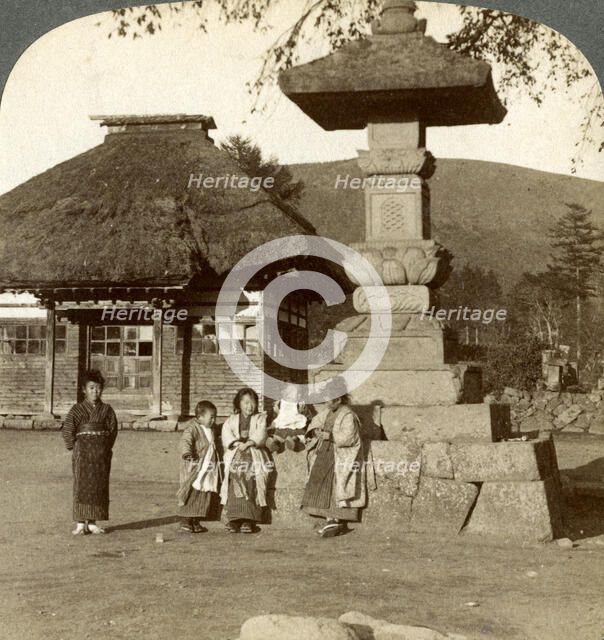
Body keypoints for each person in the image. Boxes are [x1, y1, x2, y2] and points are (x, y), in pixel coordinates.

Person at [302, 395, 367, 538]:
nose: (325, 403)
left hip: (340, 453)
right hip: (324, 452)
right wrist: (315, 431)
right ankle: (328, 519)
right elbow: (315, 422)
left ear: (338, 400)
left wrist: (330, 436)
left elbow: (348, 437)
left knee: (335, 483)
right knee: (322, 482)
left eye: (328, 400)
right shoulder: (326, 412)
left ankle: (337, 519)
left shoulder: (348, 415)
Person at [62, 369, 118, 535]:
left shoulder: (107, 410)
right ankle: (80, 522)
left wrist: (105, 448)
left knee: (98, 486)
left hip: (101, 456)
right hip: (83, 454)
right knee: (81, 486)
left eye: (98, 388)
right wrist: (75, 447)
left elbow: (113, 430)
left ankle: (93, 522)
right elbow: (67, 430)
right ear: (84, 390)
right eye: (91, 388)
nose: (95, 391)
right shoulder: (77, 410)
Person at [220, 388, 271, 534]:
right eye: (246, 402)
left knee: (252, 478)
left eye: (252, 402)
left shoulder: (260, 418)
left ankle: (249, 519)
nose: (250, 406)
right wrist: (236, 443)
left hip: (254, 453)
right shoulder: (232, 419)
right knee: (234, 476)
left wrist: (249, 443)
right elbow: (226, 433)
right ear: (239, 404)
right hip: (236, 452)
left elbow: (261, 433)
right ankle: (234, 520)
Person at [176, 400, 220, 533]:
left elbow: (221, 429)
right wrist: (187, 453)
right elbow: (186, 441)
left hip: (208, 468)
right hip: (195, 467)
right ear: (199, 418)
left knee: (203, 492)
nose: (213, 420)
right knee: (192, 491)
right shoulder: (193, 429)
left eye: (214, 417)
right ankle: (185, 519)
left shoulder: (212, 428)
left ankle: (195, 520)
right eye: (210, 417)